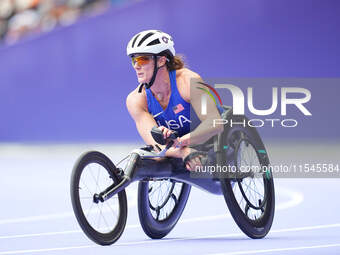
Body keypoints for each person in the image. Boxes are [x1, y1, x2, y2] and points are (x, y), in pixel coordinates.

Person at [126, 30, 223, 171]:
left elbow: (215, 124)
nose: (136, 65)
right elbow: (156, 147)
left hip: (211, 139)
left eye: (143, 59)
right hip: (181, 147)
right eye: (134, 60)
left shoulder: (188, 81)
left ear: (161, 60)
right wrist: (182, 150)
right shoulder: (135, 100)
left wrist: (182, 142)